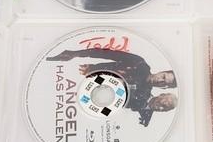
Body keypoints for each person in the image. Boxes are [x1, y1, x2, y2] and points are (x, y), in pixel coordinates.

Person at [46, 47, 177, 127]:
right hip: (79, 73)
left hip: (81, 100)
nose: (160, 81)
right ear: (162, 71)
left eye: (165, 83)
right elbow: (108, 54)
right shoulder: (139, 63)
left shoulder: (144, 94)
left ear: (164, 89)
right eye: (163, 76)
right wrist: (76, 54)